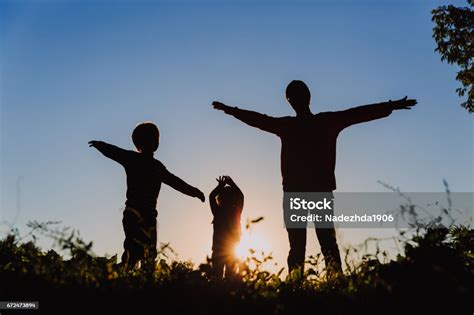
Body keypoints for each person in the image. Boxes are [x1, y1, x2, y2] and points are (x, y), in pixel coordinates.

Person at [212, 80, 417, 274]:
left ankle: (306, 286)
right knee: (317, 245)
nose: (295, 101)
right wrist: (391, 106)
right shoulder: (318, 122)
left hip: (305, 192)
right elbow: (357, 113)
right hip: (310, 191)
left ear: (294, 100)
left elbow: (358, 113)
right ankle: (320, 285)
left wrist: (390, 106)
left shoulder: (306, 124)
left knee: (308, 246)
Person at [89, 122, 205, 269]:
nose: (156, 142)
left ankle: (140, 281)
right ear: (142, 143)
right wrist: (100, 145)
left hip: (148, 216)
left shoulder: (154, 166)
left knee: (148, 254)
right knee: (134, 252)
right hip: (134, 213)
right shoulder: (135, 160)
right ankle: (125, 279)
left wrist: (194, 192)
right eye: (153, 138)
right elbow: (114, 151)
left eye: (156, 138)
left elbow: (176, 182)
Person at [209, 175, 244, 278]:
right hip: (231, 251)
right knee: (230, 278)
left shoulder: (218, 212)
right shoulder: (236, 212)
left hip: (220, 251)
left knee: (217, 278)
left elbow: (211, 196)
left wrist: (220, 186)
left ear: (220, 198)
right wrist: (232, 183)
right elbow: (241, 196)